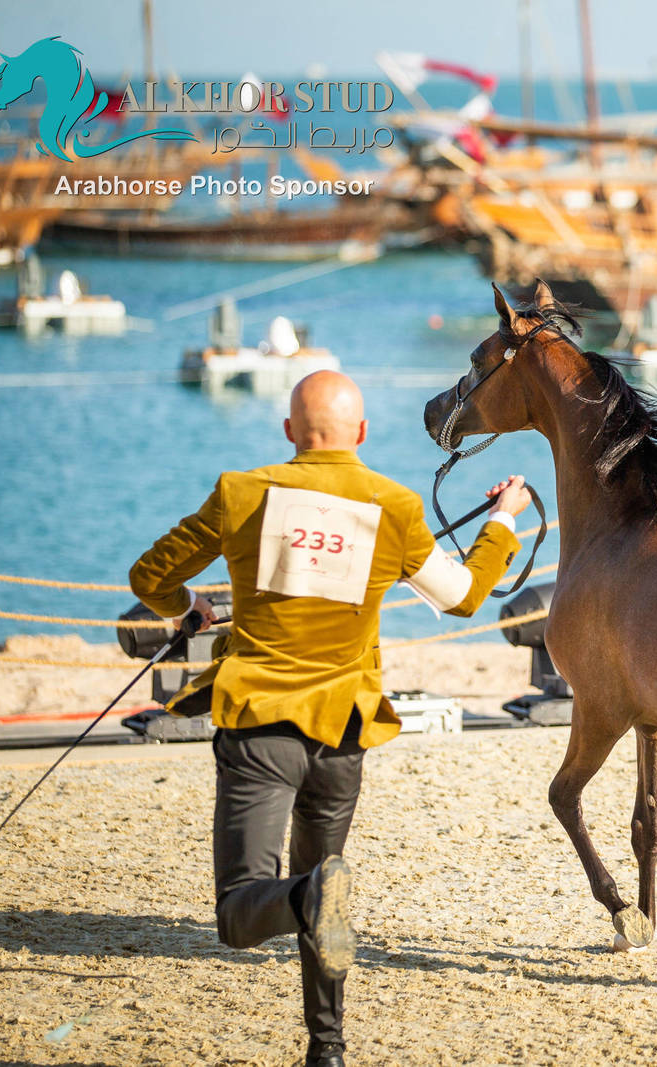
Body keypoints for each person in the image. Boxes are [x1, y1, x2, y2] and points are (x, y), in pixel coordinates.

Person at [129, 370, 531, 1067]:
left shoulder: (241, 493)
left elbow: (148, 578)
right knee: (324, 899)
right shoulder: (393, 505)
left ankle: (312, 909)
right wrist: (501, 521)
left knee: (242, 909)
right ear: (363, 434)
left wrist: (187, 604)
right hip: (343, 735)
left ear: (289, 431)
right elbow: (463, 594)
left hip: (259, 728)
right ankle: (328, 1048)